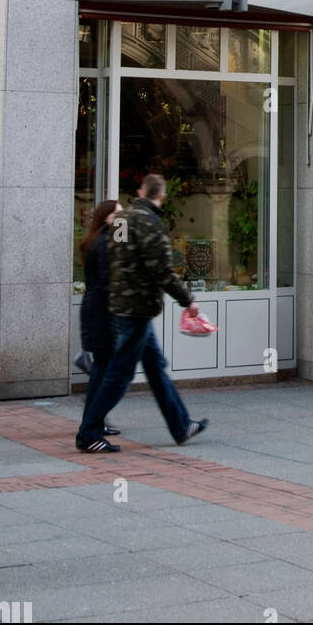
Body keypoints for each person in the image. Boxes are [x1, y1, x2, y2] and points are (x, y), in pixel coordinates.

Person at [75, 173, 208, 453]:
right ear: (162, 196)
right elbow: (162, 271)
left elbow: (117, 256)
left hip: (124, 306)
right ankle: (88, 433)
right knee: (119, 374)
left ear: (140, 191)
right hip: (138, 308)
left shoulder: (123, 220)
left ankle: (181, 425)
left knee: (155, 368)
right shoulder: (152, 223)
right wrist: (188, 301)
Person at [78, 200, 125, 439]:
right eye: (117, 212)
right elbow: (112, 279)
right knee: (104, 371)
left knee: (102, 369)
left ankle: (94, 423)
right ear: (106, 217)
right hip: (103, 313)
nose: (122, 215)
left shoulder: (101, 240)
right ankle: (92, 426)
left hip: (98, 311)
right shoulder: (103, 245)